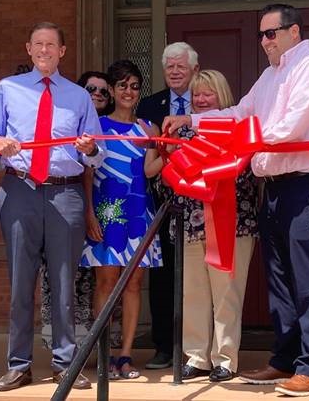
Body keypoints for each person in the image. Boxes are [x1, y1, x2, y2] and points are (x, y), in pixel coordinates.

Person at [164, 4, 309, 396]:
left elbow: (291, 126)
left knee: (307, 276)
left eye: (270, 33)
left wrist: (246, 140)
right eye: (261, 35)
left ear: (294, 31)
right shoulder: (269, 75)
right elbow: (240, 113)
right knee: (279, 277)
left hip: (305, 182)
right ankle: (284, 359)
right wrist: (191, 121)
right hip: (274, 186)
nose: (264, 41)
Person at [0, 22, 104, 392]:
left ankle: (65, 364)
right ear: (29, 49)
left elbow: (99, 152)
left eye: (52, 45)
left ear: (62, 51)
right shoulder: (8, 89)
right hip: (21, 190)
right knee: (20, 284)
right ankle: (19, 365)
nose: (45, 50)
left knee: (64, 283)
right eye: (39, 45)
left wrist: (90, 149)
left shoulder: (79, 96)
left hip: (65, 195)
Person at [156, 70, 258, 382]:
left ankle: (225, 359)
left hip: (232, 224)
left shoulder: (238, 130)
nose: (201, 100)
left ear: (223, 97)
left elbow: (247, 179)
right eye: (196, 94)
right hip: (189, 224)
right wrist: (169, 157)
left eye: (208, 94)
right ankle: (197, 356)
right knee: (193, 294)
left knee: (227, 294)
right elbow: (167, 185)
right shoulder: (181, 134)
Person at [80, 59, 162, 380]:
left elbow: (149, 170)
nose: (129, 91)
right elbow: (88, 174)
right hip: (106, 213)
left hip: (139, 214)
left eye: (134, 86)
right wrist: (89, 212)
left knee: (135, 284)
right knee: (105, 282)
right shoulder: (98, 127)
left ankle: (125, 355)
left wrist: (168, 152)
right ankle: (103, 355)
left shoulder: (148, 129)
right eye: (123, 86)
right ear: (112, 90)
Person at [40, 70, 118, 349]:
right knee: (62, 279)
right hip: (68, 208)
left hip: (106, 217)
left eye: (103, 91)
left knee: (98, 284)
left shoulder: (110, 128)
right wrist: (87, 213)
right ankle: (60, 345)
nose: (96, 94)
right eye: (90, 88)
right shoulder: (70, 124)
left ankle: (94, 347)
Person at [136, 42, 199, 370]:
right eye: (170, 67)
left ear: (194, 69)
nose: (175, 72)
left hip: (201, 202)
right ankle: (164, 346)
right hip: (162, 203)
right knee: (163, 275)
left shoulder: (206, 103)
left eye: (181, 66)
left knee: (199, 276)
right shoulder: (149, 105)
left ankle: (198, 350)